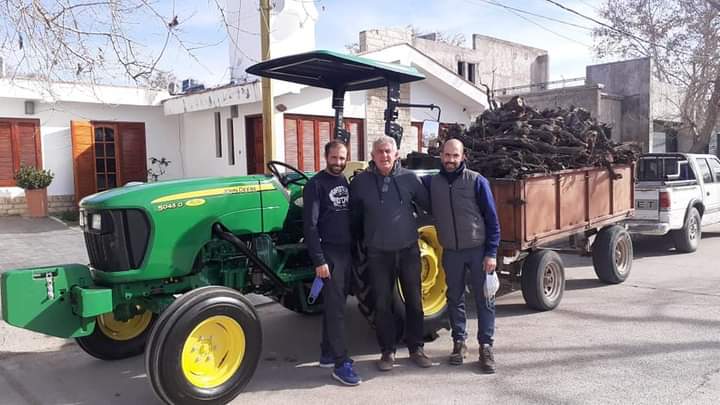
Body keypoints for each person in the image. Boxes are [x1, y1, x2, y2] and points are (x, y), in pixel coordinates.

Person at [350, 135, 432, 371]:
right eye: (380, 152)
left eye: (389, 151)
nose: (385, 156)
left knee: (414, 302)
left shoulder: (410, 179)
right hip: (377, 254)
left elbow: (429, 206)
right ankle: (388, 351)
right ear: (373, 156)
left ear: (396, 154)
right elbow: (354, 217)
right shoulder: (361, 183)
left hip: (408, 251)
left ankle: (416, 347)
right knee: (382, 305)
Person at [425, 138, 500, 374]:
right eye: (447, 155)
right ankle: (459, 343)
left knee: (484, 299)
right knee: (454, 298)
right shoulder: (433, 183)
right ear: (441, 156)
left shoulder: (477, 181)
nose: (450, 160)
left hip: (477, 250)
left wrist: (491, 253)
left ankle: (486, 346)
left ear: (463, 156)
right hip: (451, 252)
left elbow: (492, 220)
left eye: (455, 156)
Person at [303, 140, 361, 386]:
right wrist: (319, 259)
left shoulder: (343, 181)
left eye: (342, 158)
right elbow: (310, 225)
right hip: (329, 254)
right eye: (335, 158)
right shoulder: (315, 185)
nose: (338, 163)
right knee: (337, 310)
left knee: (334, 305)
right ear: (325, 156)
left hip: (345, 251)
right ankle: (340, 363)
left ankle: (327, 353)